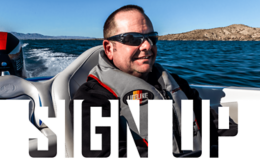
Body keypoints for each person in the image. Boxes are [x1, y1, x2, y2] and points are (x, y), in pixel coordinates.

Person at [70, 5, 236, 158]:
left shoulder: (176, 83)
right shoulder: (92, 98)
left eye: (151, 37)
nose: (147, 46)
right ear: (109, 49)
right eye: (132, 39)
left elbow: (213, 121)